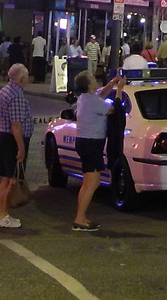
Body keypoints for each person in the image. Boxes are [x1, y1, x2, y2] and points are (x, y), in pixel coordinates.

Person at [71, 69, 125, 232]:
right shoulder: (91, 101)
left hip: (84, 142)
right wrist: (120, 90)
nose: (96, 80)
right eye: (93, 78)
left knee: (87, 183)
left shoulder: (85, 98)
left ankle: (80, 217)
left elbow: (102, 93)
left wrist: (113, 82)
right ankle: (80, 219)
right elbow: (113, 110)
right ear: (88, 85)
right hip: (92, 144)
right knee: (93, 183)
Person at [0, 63, 33, 228]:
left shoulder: (5, 90)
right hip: (10, 140)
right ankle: (2, 214)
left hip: (1, 137)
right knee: (11, 180)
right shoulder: (16, 95)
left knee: (5, 179)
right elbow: (16, 125)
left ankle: (1, 214)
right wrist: (21, 148)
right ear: (22, 78)